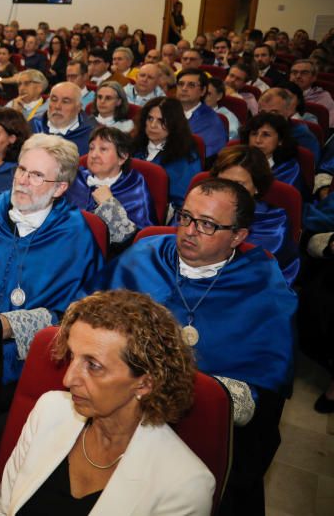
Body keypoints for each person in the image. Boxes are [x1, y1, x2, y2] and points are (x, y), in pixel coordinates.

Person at [88, 178, 297, 515]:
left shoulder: (266, 294)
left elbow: (258, 400)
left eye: (207, 225)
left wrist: (180, 390)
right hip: (114, 408)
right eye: (185, 217)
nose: (188, 231)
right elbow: (89, 323)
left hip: (199, 428)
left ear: (238, 237)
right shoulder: (144, 256)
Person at [0, 289, 214, 516]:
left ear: (145, 384)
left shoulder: (184, 486)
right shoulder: (50, 410)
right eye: (72, 357)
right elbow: (0, 509)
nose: (68, 379)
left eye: (93, 366)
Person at [0, 134, 105, 388]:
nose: (22, 182)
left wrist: (11, 325)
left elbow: (78, 313)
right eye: (21, 170)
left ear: (59, 188)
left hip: (30, 360)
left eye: (36, 175)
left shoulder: (75, 235)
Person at [211, 145, 299, 285]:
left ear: (257, 187)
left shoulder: (273, 222)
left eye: (239, 185)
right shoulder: (199, 209)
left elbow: (259, 275)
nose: (228, 192)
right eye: (222, 183)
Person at [67, 126, 156, 250]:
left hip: (113, 258)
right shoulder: (76, 178)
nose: (94, 155)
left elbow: (142, 239)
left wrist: (109, 204)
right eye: (91, 148)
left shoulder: (134, 184)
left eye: (103, 149)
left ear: (122, 157)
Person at [133, 97, 201, 211]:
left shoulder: (186, 157)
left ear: (174, 124)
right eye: (150, 118)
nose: (153, 125)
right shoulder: (132, 146)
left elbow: (183, 202)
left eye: (161, 121)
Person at [240, 111, 305, 195]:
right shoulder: (237, 160)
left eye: (266, 135)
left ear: (280, 140)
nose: (258, 140)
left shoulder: (288, 168)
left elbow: (282, 202)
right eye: (254, 134)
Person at [30, 81, 95, 156]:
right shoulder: (33, 126)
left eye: (65, 102)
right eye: (54, 100)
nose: (57, 106)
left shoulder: (92, 135)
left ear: (78, 108)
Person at [257, 86, 321, 162]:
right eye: (262, 113)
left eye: (274, 113)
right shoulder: (252, 131)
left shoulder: (303, 136)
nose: (267, 118)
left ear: (289, 111)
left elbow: (309, 169)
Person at [175, 69, 228, 161]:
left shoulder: (211, 121)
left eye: (191, 85)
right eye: (181, 84)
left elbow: (204, 156)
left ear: (203, 91)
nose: (184, 88)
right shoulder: (165, 110)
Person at [289, 58, 334, 128]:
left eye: (304, 73)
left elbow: (328, 127)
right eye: (294, 72)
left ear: (314, 78)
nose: (298, 76)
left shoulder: (323, 97)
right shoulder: (279, 92)